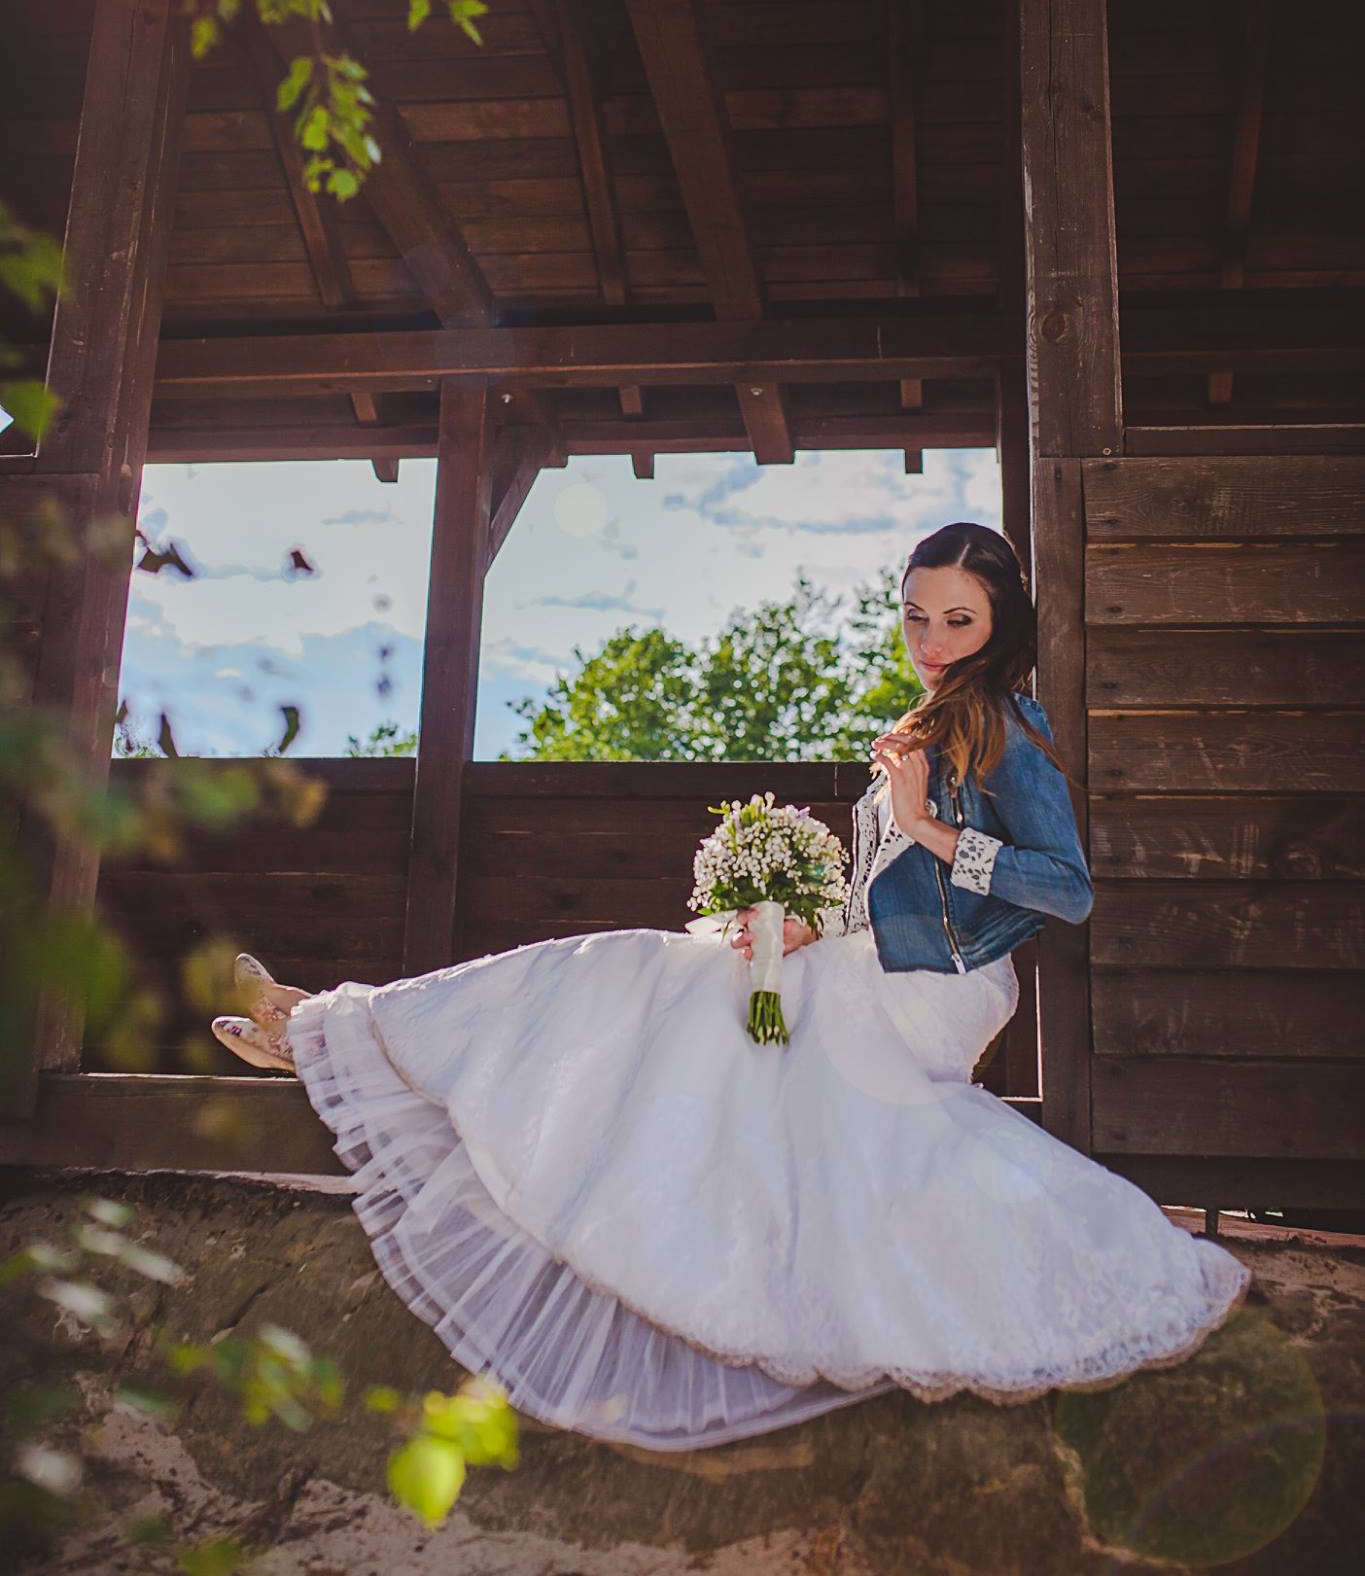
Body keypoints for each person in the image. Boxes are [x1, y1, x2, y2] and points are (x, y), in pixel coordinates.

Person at [210, 521, 1250, 1452]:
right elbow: (889, 892)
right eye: (915, 615)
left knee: (643, 981)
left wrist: (931, 826)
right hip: (867, 966)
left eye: (957, 620)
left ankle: (329, 1027)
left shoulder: (1007, 731)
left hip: (935, 989)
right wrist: (810, 923)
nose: (931, 639)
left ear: (999, 623)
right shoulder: (926, 720)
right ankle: (329, 1022)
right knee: (633, 970)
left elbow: (1067, 889)